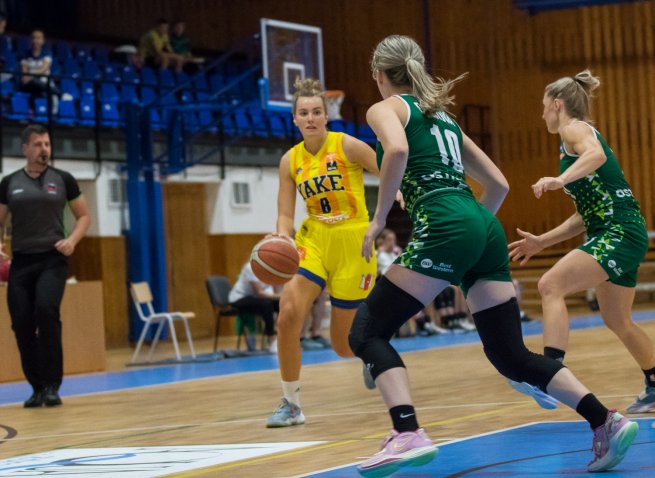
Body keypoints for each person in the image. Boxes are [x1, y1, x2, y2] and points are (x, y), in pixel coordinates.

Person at [348, 35, 638, 476]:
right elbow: (499, 184)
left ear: (378, 74)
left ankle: (406, 432)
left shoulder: (384, 108)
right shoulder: (443, 118)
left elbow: (399, 150)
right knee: (509, 354)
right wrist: (473, 232)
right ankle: (605, 421)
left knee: (368, 331)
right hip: (484, 226)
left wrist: (378, 217)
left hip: (447, 222)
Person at [508, 70, 655, 414]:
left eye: (544, 107)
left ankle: (548, 373)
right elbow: (583, 215)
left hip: (617, 230)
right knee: (617, 319)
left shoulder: (575, 130)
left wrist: (560, 179)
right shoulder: (575, 139)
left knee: (549, 285)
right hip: (619, 229)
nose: (542, 114)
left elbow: (597, 156)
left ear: (557, 105)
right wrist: (542, 241)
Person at [266, 78, 379, 427]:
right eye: (304, 113)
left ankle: (371, 351)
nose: (311, 117)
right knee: (287, 314)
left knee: (343, 347)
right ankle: (291, 404)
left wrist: (400, 195)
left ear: (326, 116)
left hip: (354, 244)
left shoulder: (348, 145)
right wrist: (282, 237)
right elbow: (285, 214)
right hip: (313, 240)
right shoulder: (290, 160)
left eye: (317, 111)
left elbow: (390, 170)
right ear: (295, 119)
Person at [0, 124, 91, 408]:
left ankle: (53, 384)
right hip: (22, 261)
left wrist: (72, 241)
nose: (44, 150)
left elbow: (84, 216)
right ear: (25, 148)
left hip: (53, 258)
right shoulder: (9, 183)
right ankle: (37, 387)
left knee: (46, 310)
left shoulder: (64, 179)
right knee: (22, 322)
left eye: (47, 144)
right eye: (38, 144)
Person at [228, 261, 280, 352]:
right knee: (266, 305)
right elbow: (259, 293)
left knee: (282, 304)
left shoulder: (272, 269)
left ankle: (283, 337)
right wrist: (280, 296)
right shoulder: (251, 267)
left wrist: (281, 297)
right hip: (239, 298)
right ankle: (271, 340)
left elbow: (274, 292)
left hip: (254, 298)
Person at [20, 29, 59, 113]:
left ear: (43, 40)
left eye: (38, 38)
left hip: (43, 81)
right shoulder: (25, 54)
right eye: (33, 38)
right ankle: (58, 92)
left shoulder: (46, 53)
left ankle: (51, 113)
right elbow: (24, 70)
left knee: (43, 90)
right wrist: (29, 76)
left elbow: (43, 69)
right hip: (30, 83)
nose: (36, 40)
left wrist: (31, 75)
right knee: (36, 84)